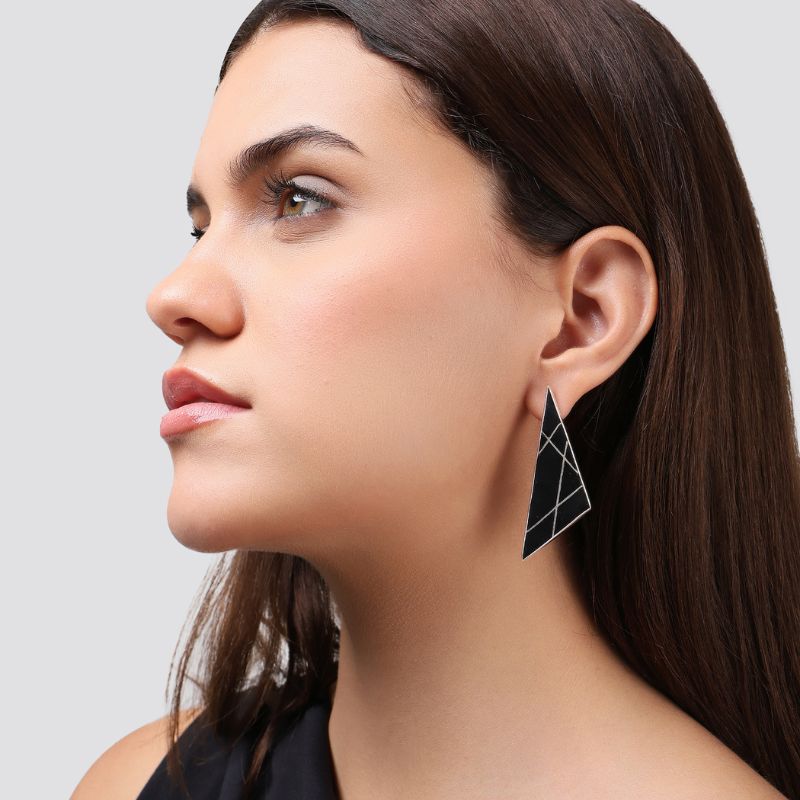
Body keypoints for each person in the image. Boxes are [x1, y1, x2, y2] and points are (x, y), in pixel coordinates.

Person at [71, 1, 799, 798]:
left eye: (300, 199)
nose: (175, 296)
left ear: (582, 319)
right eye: (201, 227)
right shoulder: (141, 785)